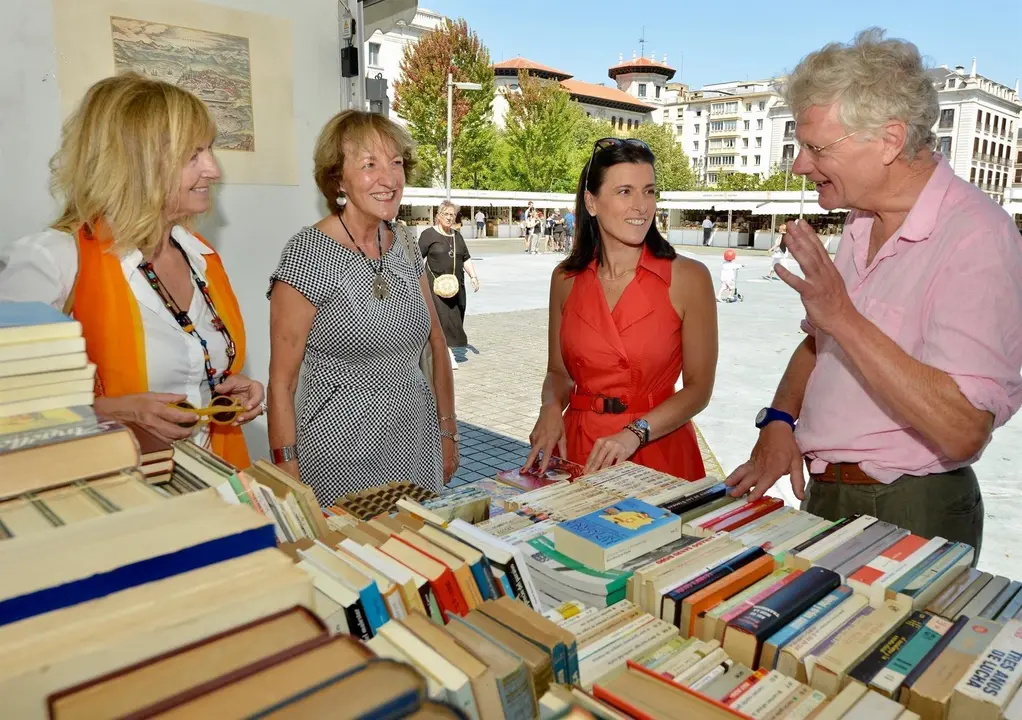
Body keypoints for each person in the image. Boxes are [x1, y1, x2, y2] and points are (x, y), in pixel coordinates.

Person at [726, 29, 1022, 560]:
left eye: (816, 147)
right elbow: (821, 343)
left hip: (909, 508)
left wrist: (844, 317)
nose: (799, 164)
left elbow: (962, 431)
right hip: (827, 493)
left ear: (888, 140)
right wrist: (779, 420)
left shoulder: (977, 235)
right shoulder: (863, 221)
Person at [0, 73, 261, 466]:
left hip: (214, 486)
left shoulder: (199, 256)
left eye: (209, 150)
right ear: (135, 163)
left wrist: (227, 392)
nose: (213, 169)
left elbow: (198, 364)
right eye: (193, 155)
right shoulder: (51, 259)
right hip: (117, 498)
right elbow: (12, 408)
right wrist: (115, 411)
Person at [266, 110, 458, 505]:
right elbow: (281, 382)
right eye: (369, 165)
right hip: (340, 454)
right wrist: (286, 469)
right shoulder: (308, 254)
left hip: (415, 443)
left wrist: (447, 430)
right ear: (338, 177)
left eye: (396, 163)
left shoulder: (403, 243)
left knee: (416, 559)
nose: (389, 180)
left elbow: (436, 342)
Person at [525, 137, 718, 479]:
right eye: (625, 192)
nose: (641, 207)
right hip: (581, 448)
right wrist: (550, 407)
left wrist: (635, 433)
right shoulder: (566, 278)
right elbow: (559, 372)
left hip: (656, 447)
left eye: (649, 191)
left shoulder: (688, 278)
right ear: (592, 202)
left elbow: (699, 389)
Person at [420, 201, 480, 370]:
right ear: (438, 216)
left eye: (452, 214)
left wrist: (473, 276)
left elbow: (466, 258)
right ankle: (447, 355)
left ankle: (441, 350)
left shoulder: (457, 236)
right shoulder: (428, 235)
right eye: (446, 214)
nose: (449, 217)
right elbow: (417, 259)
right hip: (436, 286)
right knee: (443, 319)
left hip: (456, 286)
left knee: (456, 317)